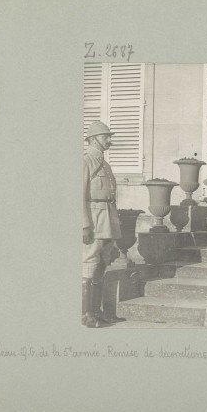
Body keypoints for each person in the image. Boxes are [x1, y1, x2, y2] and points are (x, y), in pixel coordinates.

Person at [83, 121, 122, 328]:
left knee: (103, 261)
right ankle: (86, 314)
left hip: (108, 217)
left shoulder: (104, 164)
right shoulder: (86, 162)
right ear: (93, 139)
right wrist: (84, 225)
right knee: (90, 261)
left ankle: (97, 312)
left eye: (109, 136)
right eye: (105, 136)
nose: (109, 140)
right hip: (94, 218)